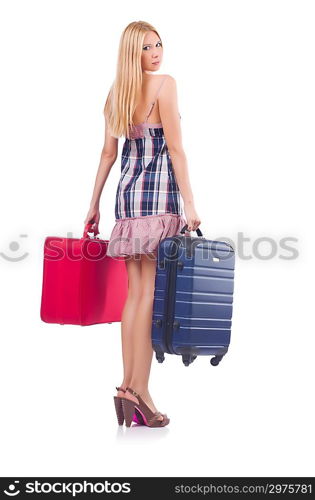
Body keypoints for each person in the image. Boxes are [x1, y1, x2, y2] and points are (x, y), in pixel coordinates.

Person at [84, 21, 201, 427]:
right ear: (132, 52)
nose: (156, 51)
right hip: (158, 197)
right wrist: (190, 204)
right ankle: (140, 392)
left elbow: (106, 155)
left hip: (128, 200)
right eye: (147, 47)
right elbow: (176, 150)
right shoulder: (164, 85)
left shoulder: (117, 93)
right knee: (148, 296)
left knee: (134, 296)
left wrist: (94, 203)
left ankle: (127, 387)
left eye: (159, 44)